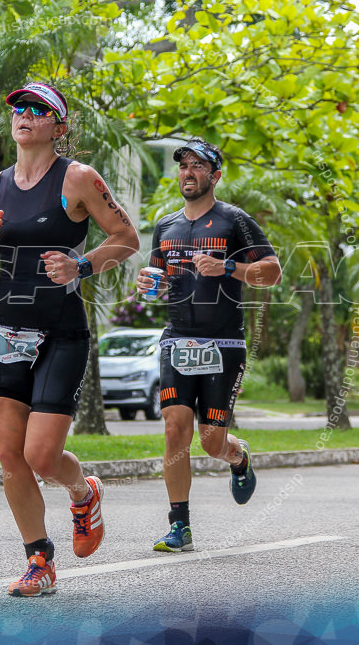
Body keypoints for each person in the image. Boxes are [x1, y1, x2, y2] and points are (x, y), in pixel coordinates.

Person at [0, 82, 139, 597]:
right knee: (9, 456)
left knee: (42, 456)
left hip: (61, 332)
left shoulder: (78, 179)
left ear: (57, 127)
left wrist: (80, 264)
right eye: (19, 107)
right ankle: (39, 562)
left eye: (38, 110)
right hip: (6, 332)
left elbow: (126, 238)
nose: (25, 115)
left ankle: (83, 492)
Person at [136, 138, 281, 553]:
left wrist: (228, 266)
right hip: (177, 341)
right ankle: (179, 526)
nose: (188, 172)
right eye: (184, 166)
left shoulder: (235, 221)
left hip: (223, 344)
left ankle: (238, 458)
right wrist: (149, 283)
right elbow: (157, 279)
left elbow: (272, 273)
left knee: (211, 440)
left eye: (199, 166)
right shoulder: (165, 226)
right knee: (174, 432)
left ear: (215, 176)